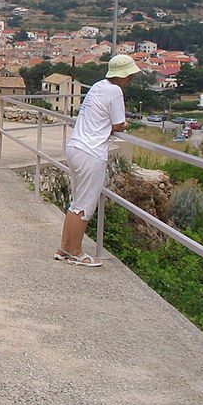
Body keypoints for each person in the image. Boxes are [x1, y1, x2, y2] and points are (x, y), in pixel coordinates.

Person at [55, 54, 141, 267]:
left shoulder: (98, 86)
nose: (131, 78)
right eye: (129, 74)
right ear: (122, 75)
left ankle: (64, 248)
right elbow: (119, 124)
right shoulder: (115, 91)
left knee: (76, 202)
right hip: (91, 152)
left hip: (76, 147)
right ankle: (75, 251)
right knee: (85, 206)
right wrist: (125, 125)